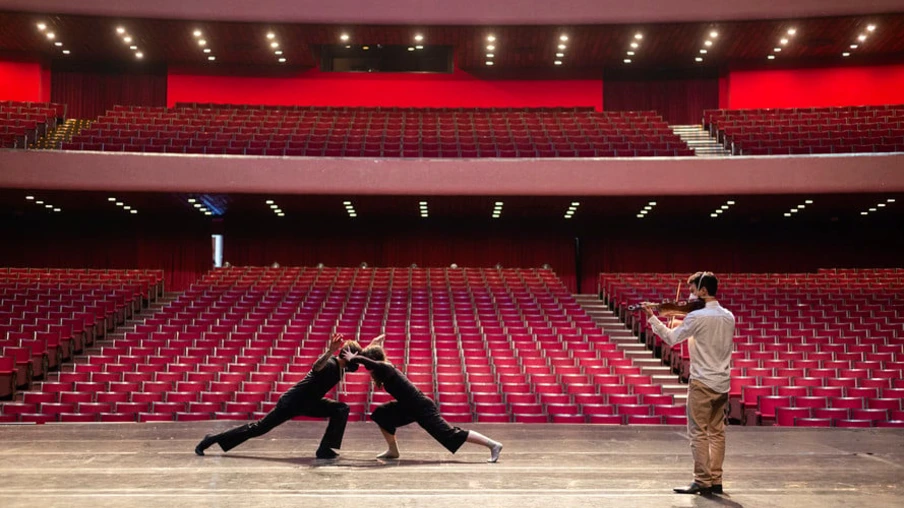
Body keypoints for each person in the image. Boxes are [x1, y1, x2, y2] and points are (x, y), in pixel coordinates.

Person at [194, 333, 382, 459]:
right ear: (345, 355)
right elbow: (316, 367)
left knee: (341, 409)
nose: (357, 364)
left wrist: (373, 345)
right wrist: (330, 350)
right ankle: (211, 439)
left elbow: (359, 356)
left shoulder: (341, 368)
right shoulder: (331, 364)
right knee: (258, 429)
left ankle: (325, 449)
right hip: (292, 402)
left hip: (310, 403)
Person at [643, 272, 735, 495]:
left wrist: (652, 317)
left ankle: (702, 480)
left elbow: (672, 339)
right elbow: (704, 336)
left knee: (698, 433)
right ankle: (716, 479)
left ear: (703, 291)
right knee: (717, 433)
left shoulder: (696, 317)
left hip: (702, 382)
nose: (690, 297)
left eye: (693, 291)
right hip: (722, 383)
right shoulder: (728, 316)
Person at [341, 346, 503, 463]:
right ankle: (393, 450)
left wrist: (355, 358)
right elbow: (370, 362)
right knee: (382, 414)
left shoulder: (386, 367)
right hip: (407, 406)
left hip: (420, 406)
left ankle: (493, 445)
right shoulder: (382, 369)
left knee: (450, 434)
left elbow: (371, 363)